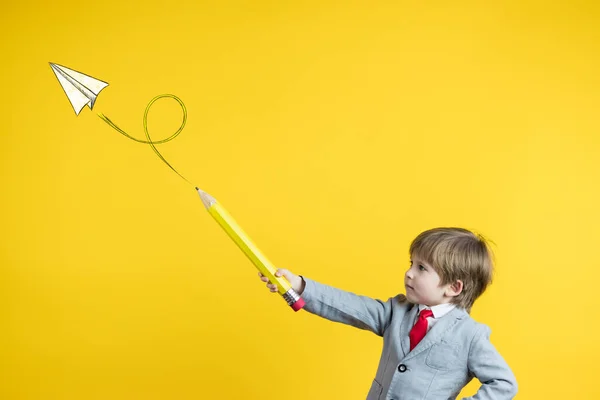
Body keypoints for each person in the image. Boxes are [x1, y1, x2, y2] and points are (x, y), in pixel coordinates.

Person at [258, 227, 517, 399]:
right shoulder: (397, 310)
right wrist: (300, 286)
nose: (409, 273)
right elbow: (348, 306)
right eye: (411, 263)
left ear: (454, 287)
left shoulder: (470, 336)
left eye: (422, 268)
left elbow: (503, 383)